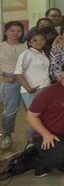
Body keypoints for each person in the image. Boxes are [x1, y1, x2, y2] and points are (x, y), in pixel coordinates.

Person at [15, 32, 51, 142]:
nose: (39, 42)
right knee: (34, 117)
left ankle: (40, 139)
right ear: (29, 42)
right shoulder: (27, 54)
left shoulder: (44, 54)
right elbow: (18, 73)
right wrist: (28, 88)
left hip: (45, 89)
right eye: (35, 40)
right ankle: (30, 142)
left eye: (41, 40)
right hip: (31, 90)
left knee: (44, 116)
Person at [0, 21, 25, 149]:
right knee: (10, 111)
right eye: (12, 30)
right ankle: (7, 134)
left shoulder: (26, 46)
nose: (16, 33)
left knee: (32, 109)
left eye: (19, 31)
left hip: (26, 80)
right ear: (6, 32)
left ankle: (33, 138)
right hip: (9, 81)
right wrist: (2, 77)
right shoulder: (1, 46)